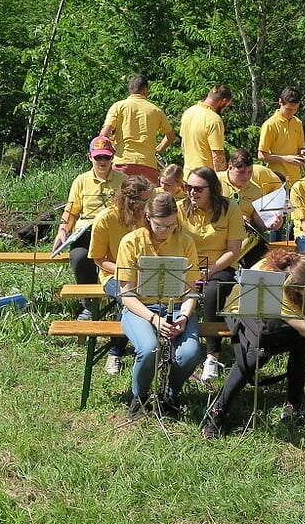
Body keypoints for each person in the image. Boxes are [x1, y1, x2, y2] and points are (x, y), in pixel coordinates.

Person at [203, 250, 305, 436]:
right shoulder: (279, 285)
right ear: (297, 288)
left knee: (302, 342)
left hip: (283, 317)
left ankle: (293, 403)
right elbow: (303, 328)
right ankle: (218, 410)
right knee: (254, 353)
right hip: (244, 311)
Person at [116, 193, 203, 419]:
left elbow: (191, 290)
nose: (166, 231)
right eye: (160, 226)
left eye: (172, 225)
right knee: (149, 349)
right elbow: (127, 295)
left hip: (178, 307)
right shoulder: (131, 242)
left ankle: (170, 394)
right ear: (147, 217)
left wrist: (184, 316)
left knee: (190, 353)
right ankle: (139, 397)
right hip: (141, 308)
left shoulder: (185, 241)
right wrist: (154, 319)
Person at [177, 167, 245, 381]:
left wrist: (210, 270)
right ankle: (177, 350)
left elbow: (234, 250)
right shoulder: (179, 208)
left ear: (212, 189)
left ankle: (212, 356)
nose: (192, 192)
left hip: (220, 267)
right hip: (186, 267)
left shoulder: (229, 208)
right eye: (188, 187)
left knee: (212, 291)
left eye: (198, 189)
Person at [53, 136, 127, 320]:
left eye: (106, 157)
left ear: (113, 157)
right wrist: (62, 231)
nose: (102, 161)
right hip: (86, 233)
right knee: (79, 257)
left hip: (114, 234)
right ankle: (88, 303)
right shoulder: (81, 180)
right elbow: (71, 211)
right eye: (98, 157)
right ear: (90, 157)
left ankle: (122, 302)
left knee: (124, 260)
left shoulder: (123, 180)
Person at [88, 175, 153, 375]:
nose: (149, 204)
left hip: (147, 272)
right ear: (131, 201)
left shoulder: (146, 216)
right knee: (129, 298)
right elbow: (98, 259)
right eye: (145, 201)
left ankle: (152, 344)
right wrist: (126, 270)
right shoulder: (105, 218)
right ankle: (115, 352)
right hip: (112, 274)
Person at [99, 74, 175, 183]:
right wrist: (157, 150)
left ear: (130, 89)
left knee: (120, 194)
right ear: (145, 90)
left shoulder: (118, 106)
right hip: (148, 163)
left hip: (123, 162)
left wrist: (112, 149)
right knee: (147, 194)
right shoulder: (156, 110)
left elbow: (104, 134)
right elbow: (170, 136)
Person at [219, 148, 278, 267]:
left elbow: (256, 218)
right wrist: (235, 217)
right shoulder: (215, 181)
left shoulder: (256, 190)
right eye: (241, 172)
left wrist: (270, 223)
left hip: (245, 238)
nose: (246, 177)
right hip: (220, 233)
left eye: (250, 172)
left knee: (266, 260)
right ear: (230, 168)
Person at [257, 86, 305, 188]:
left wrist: (303, 153)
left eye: (295, 109)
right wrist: (285, 159)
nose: (292, 113)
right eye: (288, 109)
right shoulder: (270, 125)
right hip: (276, 179)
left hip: (295, 179)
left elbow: (300, 149)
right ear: (280, 102)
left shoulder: (298, 123)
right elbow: (261, 155)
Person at [179, 84, 232, 177]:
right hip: (205, 177)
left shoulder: (188, 112)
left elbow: (183, 145)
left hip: (188, 174)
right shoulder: (214, 120)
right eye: (226, 106)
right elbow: (217, 156)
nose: (225, 109)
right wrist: (221, 179)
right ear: (223, 101)